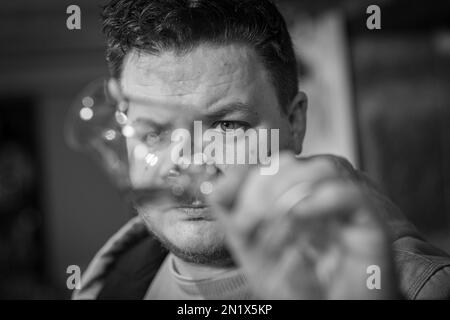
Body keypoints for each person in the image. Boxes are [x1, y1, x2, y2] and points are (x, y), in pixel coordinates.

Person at [73, 0, 450, 299]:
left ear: (295, 122)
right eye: (154, 131)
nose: (186, 164)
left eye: (226, 126)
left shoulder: (406, 288)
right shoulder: (110, 285)